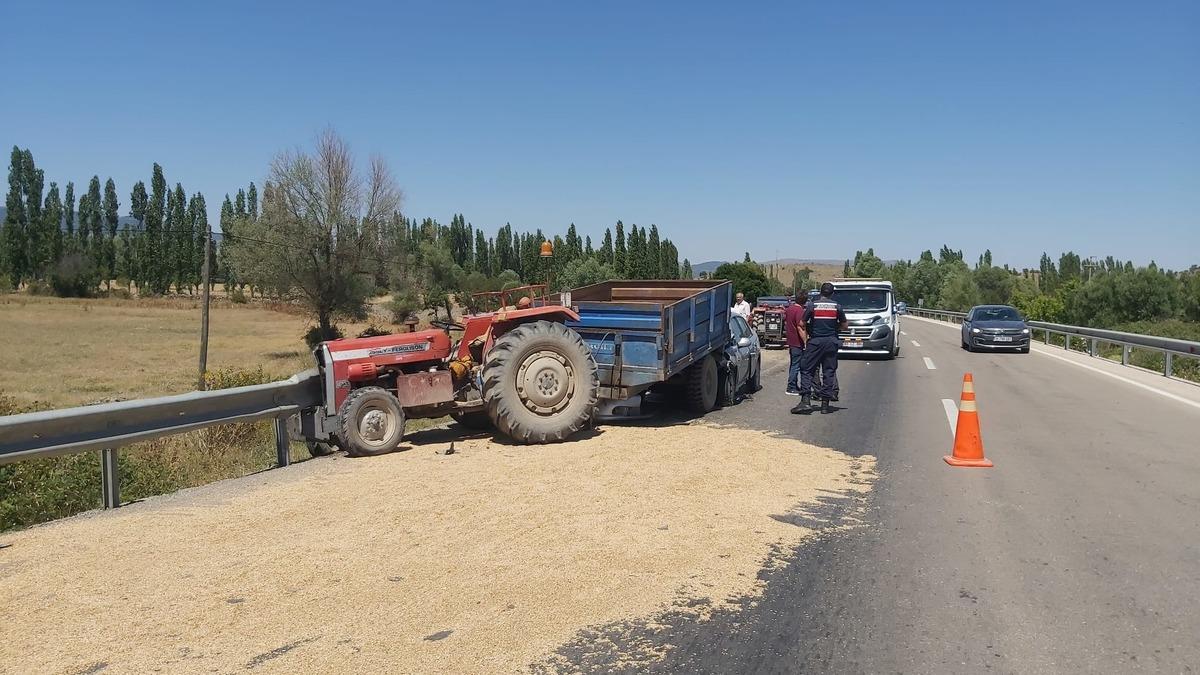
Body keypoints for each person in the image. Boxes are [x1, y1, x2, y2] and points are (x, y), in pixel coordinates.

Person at [792, 282, 847, 414]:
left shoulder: (812, 306)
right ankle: (825, 405)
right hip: (831, 342)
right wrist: (834, 328)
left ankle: (805, 401)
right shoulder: (837, 307)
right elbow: (845, 326)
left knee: (806, 369)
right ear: (832, 293)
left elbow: (802, 323)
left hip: (815, 342)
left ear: (820, 293)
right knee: (829, 371)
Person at [784, 295, 808, 396]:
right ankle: (791, 387)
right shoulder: (800, 311)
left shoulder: (789, 309)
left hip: (791, 341)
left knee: (794, 364)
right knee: (796, 365)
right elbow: (800, 327)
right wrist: (805, 341)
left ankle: (793, 385)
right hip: (797, 342)